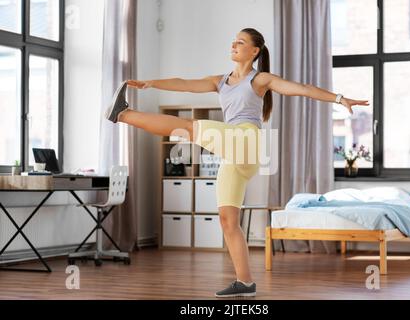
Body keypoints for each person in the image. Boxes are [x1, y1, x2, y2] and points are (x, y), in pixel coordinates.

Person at [105, 27, 369, 298]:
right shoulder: (220, 80)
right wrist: (151, 82)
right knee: (228, 220)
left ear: (254, 51)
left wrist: (339, 98)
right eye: (233, 41)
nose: (234, 45)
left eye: (240, 42)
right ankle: (245, 282)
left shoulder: (260, 79)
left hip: (246, 140)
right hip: (234, 153)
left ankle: (123, 114)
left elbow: (302, 89)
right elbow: (184, 83)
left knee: (186, 128)